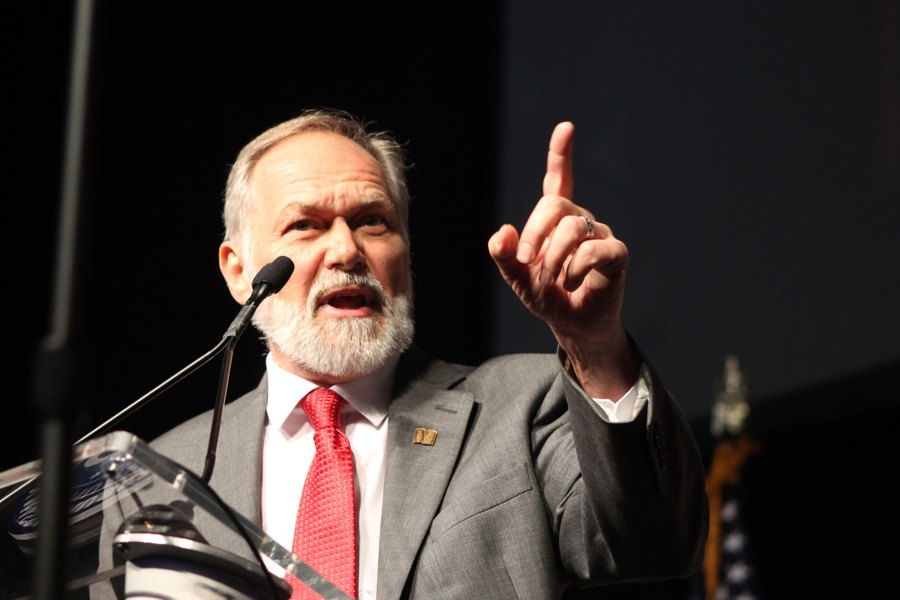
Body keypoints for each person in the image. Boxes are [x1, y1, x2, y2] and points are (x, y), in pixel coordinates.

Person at [96, 108, 707, 599]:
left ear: (406, 254)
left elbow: (656, 543)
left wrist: (594, 345)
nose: (345, 251)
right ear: (238, 271)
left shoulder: (521, 408)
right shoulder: (149, 479)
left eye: (373, 221)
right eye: (305, 225)